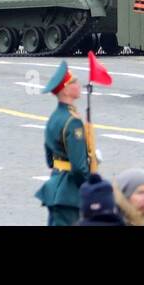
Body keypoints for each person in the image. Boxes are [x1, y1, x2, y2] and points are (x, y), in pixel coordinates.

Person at [35, 61, 90, 226]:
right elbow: (79, 167)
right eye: (74, 82)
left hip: (56, 183)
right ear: (65, 89)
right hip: (70, 192)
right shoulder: (73, 122)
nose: (78, 84)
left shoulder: (54, 118)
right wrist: (90, 186)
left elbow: (49, 159)